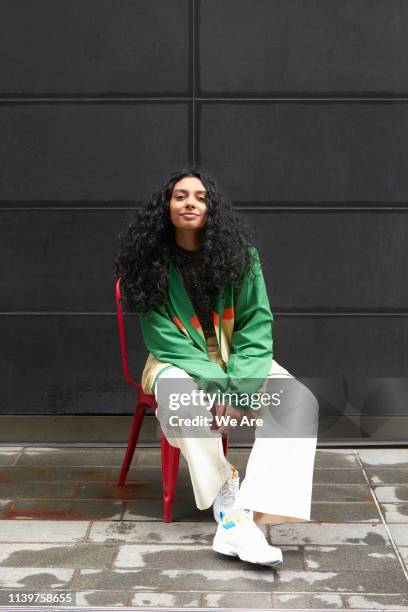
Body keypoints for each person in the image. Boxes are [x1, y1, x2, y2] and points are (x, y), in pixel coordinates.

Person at [115, 167, 319, 567]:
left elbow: (256, 326)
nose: (190, 202)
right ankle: (225, 485)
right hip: (177, 359)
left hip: (238, 357)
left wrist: (238, 386)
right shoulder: (147, 262)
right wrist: (219, 386)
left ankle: (244, 515)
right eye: (180, 195)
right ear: (166, 207)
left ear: (211, 209)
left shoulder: (242, 258)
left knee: (298, 401)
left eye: (200, 196)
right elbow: (163, 338)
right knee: (178, 396)